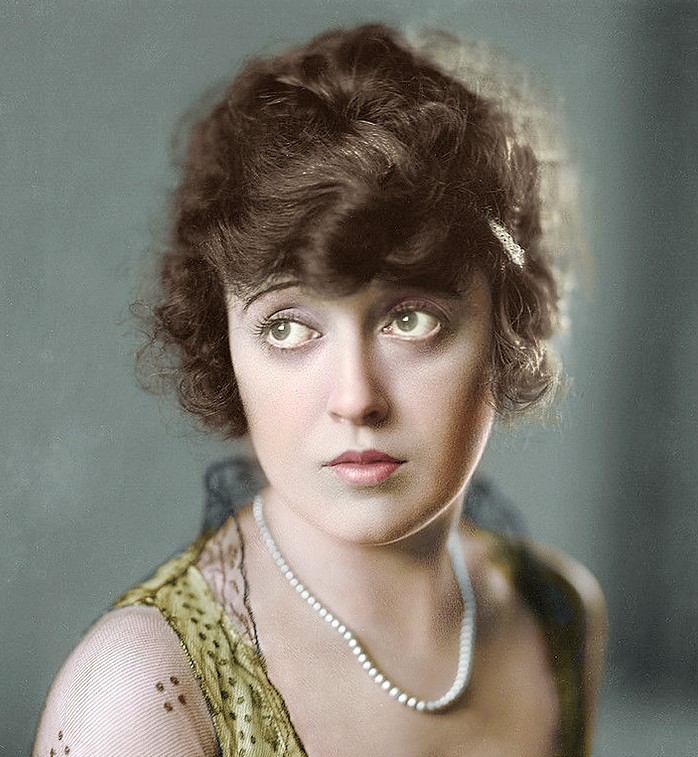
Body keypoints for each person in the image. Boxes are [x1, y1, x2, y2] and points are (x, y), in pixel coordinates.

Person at [34, 23, 606, 757]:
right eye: (287, 328)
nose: (355, 398)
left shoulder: (555, 614)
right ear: (225, 344)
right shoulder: (143, 693)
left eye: (410, 319)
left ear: (504, 326)